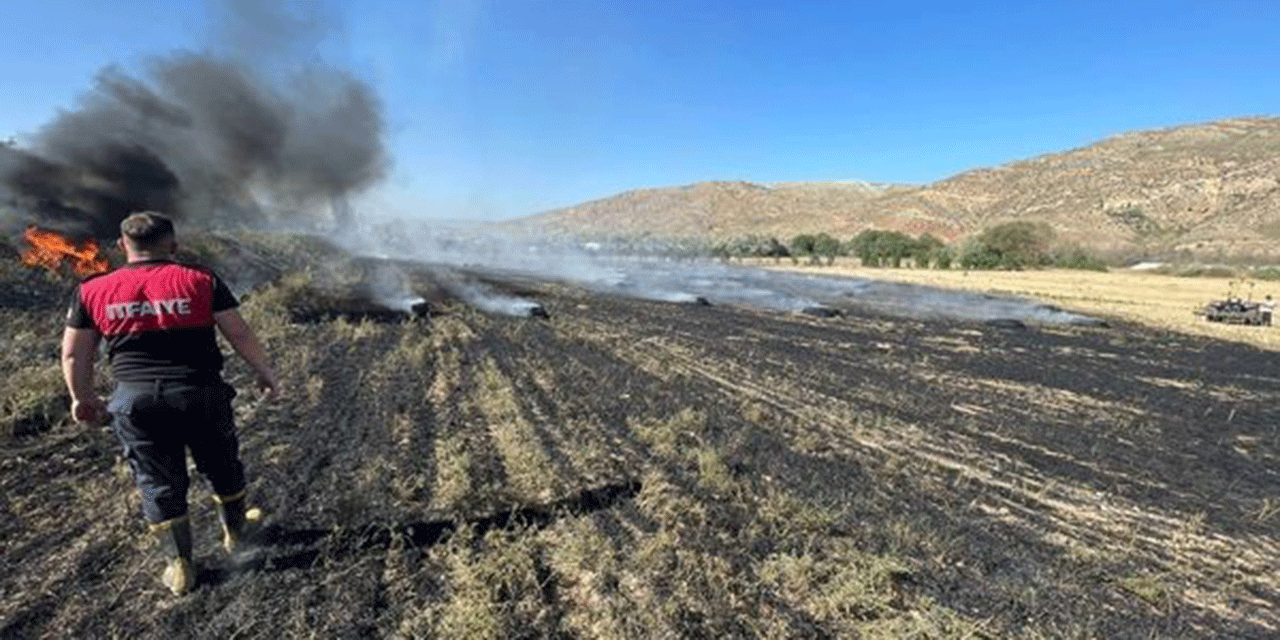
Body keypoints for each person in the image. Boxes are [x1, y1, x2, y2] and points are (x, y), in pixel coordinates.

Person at [61, 212, 279, 596]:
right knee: (221, 463)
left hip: (136, 401)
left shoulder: (92, 289)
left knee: (156, 480)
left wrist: (83, 397)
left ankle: (180, 567)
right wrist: (265, 372)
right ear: (174, 246)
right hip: (200, 394)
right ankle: (236, 534)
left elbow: (75, 356)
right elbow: (239, 333)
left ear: (122, 246)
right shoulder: (201, 279)